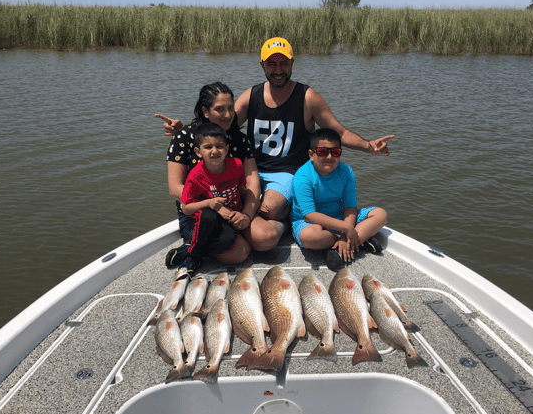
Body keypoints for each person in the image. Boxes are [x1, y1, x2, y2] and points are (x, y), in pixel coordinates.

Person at [156, 37, 394, 252]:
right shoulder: (251, 96)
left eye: (284, 63)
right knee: (247, 204)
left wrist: (368, 146)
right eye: (272, 64)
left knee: (267, 207)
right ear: (262, 65)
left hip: (288, 173)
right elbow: (220, 125)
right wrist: (185, 130)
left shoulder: (308, 97)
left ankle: (287, 223)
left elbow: (337, 131)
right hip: (255, 170)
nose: (278, 70)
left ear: (292, 63)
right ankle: (264, 228)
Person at [157, 82, 258, 270]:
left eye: (230, 108)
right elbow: (175, 188)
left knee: (264, 239)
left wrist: (246, 214)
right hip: (200, 213)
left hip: (235, 205)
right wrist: (218, 208)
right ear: (205, 111)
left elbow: (251, 180)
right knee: (239, 253)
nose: (228, 115)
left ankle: (204, 245)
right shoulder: (184, 137)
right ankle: (192, 249)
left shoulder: (238, 139)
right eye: (219, 109)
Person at [291, 128, 388, 271]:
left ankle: (341, 246)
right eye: (323, 151)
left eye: (335, 152)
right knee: (311, 237)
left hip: (338, 216)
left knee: (380, 214)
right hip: (308, 222)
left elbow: (349, 208)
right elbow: (309, 215)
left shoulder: (346, 172)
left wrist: (344, 235)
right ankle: (357, 241)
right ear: (311, 154)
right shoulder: (302, 177)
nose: (330, 156)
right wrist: (347, 228)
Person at [168, 123, 252, 272]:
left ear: (227, 149)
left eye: (219, 146)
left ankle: (190, 248)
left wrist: (253, 206)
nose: (214, 151)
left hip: (231, 214)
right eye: (208, 147)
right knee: (207, 217)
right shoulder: (195, 176)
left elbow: (241, 188)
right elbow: (186, 208)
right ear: (198, 151)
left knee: (228, 240)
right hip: (211, 217)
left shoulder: (237, 165)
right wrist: (209, 203)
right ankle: (193, 255)